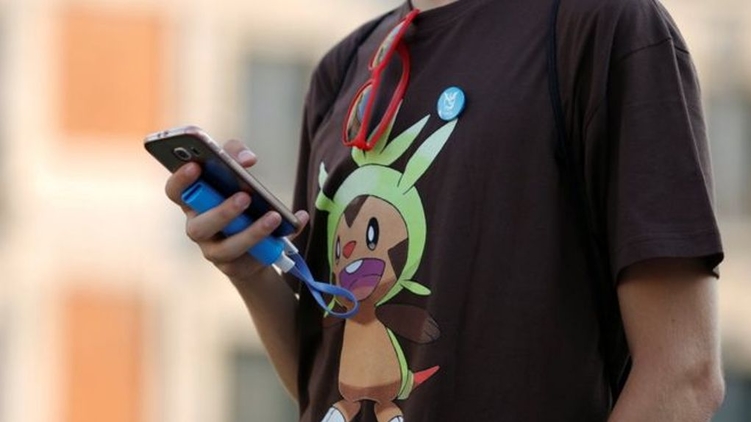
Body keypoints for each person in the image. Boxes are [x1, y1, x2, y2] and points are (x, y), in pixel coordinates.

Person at [164, 0, 726, 420]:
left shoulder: (604, 25)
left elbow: (684, 375)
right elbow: (326, 381)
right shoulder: (344, 68)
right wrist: (249, 269)